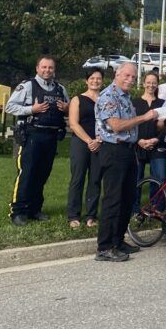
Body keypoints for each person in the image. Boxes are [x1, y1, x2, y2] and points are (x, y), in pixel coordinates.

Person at [94, 62, 160, 262]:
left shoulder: (126, 97)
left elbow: (130, 129)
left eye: (133, 77)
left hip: (129, 150)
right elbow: (116, 126)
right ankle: (104, 246)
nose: (130, 80)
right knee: (113, 199)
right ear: (117, 74)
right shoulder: (108, 96)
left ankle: (118, 240)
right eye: (127, 76)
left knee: (127, 197)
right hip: (113, 150)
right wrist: (145, 117)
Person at [7, 56, 70, 226]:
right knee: (27, 174)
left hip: (51, 137)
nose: (47, 70)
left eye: (50, 68)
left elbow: (70, 109)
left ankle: (35, 209)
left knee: (42, 175)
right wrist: (31, 109)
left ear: (54, 70)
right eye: (44, 67)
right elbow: (10, 107)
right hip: (32, 135)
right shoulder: (27, 86)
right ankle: (18, 212)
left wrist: (67, 108)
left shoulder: (60, 89)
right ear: (37, 68)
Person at [66, 68, 104, 229]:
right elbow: (73, 123)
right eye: (92, 78)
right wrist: (89, 140)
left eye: (98, 78)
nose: (95, 81)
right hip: (81, 142)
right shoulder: (78, 99)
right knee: (78, 178)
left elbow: (109, 123)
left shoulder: (105, 100)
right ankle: (74, 215)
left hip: (100, 143)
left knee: (95, 180)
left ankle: (91, 215)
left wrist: (99, 140)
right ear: (87, 81)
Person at [133, 72, 166, 213]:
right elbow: (131, 125)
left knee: (160, 178)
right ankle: (134, 210)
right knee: (135, 179)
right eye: (148, 82)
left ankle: (155, 209)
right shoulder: (134, 103)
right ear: (143, 83)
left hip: (157, 145)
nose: (151, 85)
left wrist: (157, 139)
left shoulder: (162, 104)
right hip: (137, 145)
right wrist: (139, 140)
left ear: (157, 84)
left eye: (154, 82)